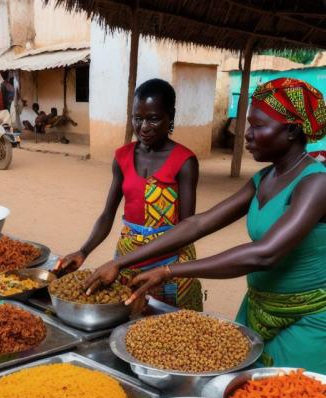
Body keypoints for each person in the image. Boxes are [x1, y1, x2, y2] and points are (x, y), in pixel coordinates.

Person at [84, 78, 326, 374]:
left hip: (307, 320)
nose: (246, 135)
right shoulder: (263, 180)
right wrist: (120, 263)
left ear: (291, 130)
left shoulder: (317, 183)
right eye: (248, 125)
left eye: (258, 126)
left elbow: (264, 254)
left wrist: (169, 270)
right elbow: (197, 224)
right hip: (257, 310)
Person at [55, 78, 203, 311]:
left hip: (168, 267)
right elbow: (107, 214)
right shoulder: (122, 157)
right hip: (125, 263)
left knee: (171, 332)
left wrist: (123, 263)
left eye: (153, 118)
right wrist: (84, 251)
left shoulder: (185, 162)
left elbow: (185, 231)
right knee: (127, 324)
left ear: (170, 116)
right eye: (137, 118)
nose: (143, 127)